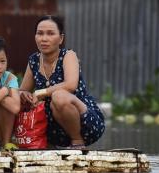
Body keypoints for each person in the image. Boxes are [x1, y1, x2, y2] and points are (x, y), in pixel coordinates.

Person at [19, 15, 105, 149]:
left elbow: (70, 85)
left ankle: (77, 142)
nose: (44, 38)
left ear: (61, 38)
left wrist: (40, 92)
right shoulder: (34, 60)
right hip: (51, 129)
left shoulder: (68, 55)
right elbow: (23, 90)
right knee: (13, 99)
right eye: (40, 33)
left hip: (85, 123)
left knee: (59, 97)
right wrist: (24, 95)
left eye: (50, 33)